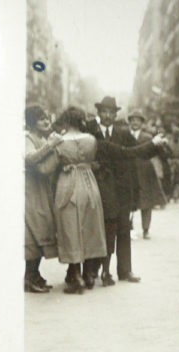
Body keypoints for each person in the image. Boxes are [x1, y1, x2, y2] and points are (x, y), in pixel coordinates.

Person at [86, 96, 149, 285]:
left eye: (111, 112)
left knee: (123, 229)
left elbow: (132, 163)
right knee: (97, 229)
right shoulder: (91, 131)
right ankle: (94, 270)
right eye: (104, 111)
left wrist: (135, 193)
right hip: (97, 189)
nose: (107, 115)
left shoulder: (123, 134)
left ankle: (124, 270)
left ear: (115, 114)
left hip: (121, 190)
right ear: (99, 113)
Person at [52, 106, 107, 294]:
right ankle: (89, 274)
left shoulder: (59, 141)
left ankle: (75, 276)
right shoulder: (91, 140)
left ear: (66, 121)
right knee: (89, 225)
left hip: (68, 183)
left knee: (70, 227)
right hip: (88, 182)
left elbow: (51, 166)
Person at [24, 104, 61, 292]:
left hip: (42, 190)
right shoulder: (27, 138)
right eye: (41, 119)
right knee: (32, 232)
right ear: (32, 122)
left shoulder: (42, 138)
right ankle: (29, 277)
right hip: (31, 192)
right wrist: (50, 145)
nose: (47, 121)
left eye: (47, 117)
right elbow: (30, 158)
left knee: (41, 229)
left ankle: (34, 274)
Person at [128, 108, 168, 239]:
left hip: (145, 170)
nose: (135, 122)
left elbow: (159, 152)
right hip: (129, 169)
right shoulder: (125, 135)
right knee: (129, 200)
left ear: (142, 123)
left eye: (137, 120)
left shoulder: (147, 137)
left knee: (146, 201)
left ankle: (146, 229)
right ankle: (130, 228)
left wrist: (161, 144)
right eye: (132, 120)